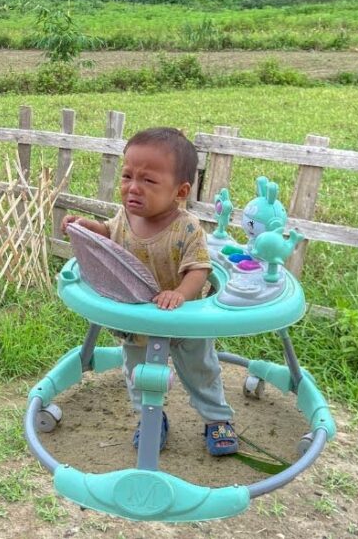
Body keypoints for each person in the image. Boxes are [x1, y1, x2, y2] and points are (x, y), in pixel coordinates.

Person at [60, 127, 238, 456]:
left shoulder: (186, 227)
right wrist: (90, 228)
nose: (133, 188)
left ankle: (217, 418)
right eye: (128, 176)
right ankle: (151, 418)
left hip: (184, 322)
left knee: (202, 370)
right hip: (139, 322)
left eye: (149, 181)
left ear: (180, 191)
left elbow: (200, 268)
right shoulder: (126, 216)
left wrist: (181, 294)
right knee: (139, 375)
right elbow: (110, 236)